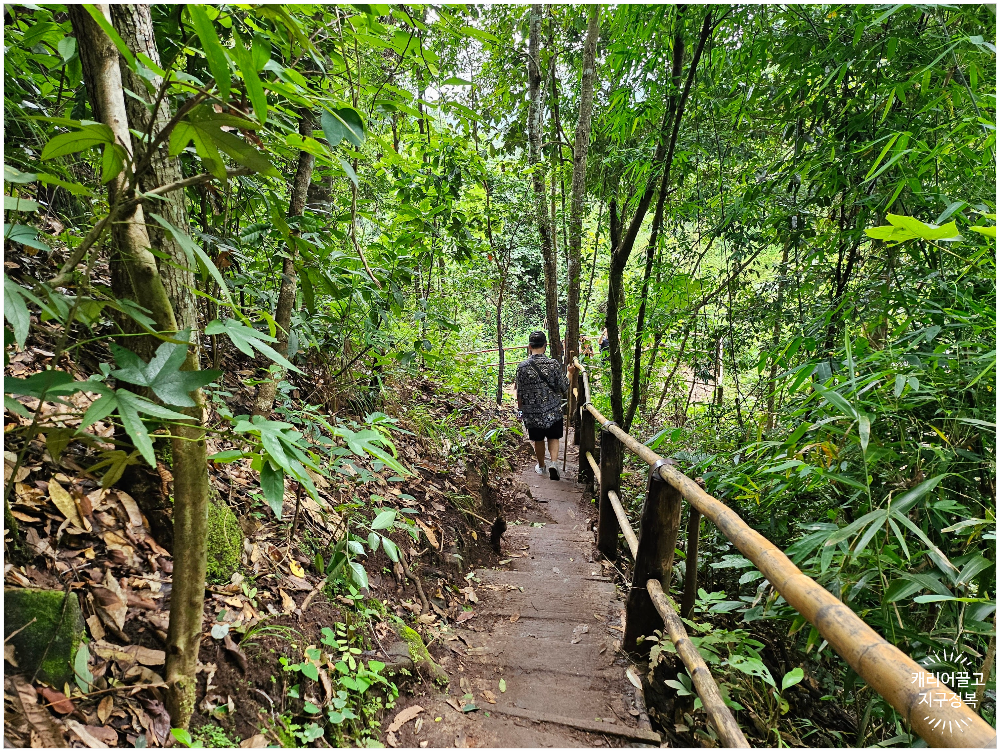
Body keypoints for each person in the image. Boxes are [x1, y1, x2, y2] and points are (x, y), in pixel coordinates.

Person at [515, 330, 573, 480]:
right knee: (553, 437)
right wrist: (570, 373)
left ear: (529, 346)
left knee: (538, 439)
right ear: (545, 346)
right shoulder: (553, 364)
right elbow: (564, 386)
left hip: (532, 412)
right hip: (553, 409)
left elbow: (519, 392)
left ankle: (541, 466)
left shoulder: (522, 367)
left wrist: (520, 411)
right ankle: (554, 462)